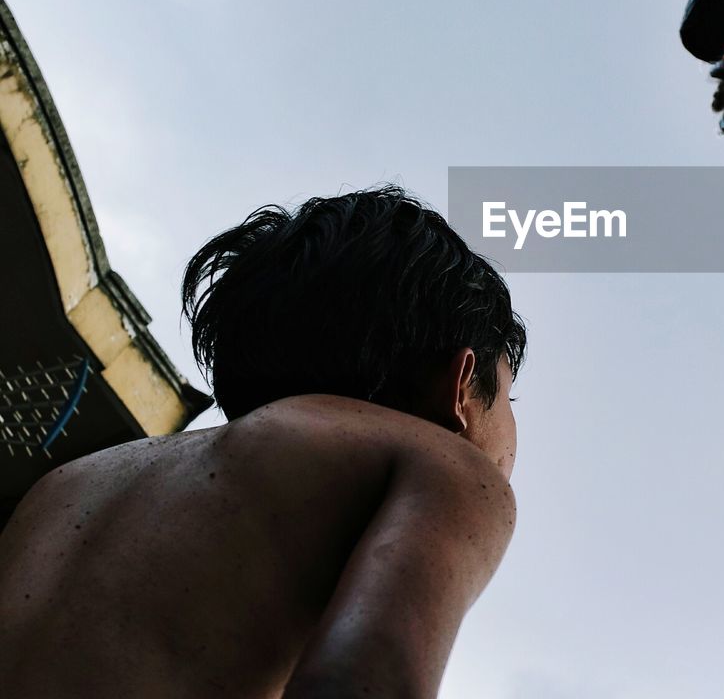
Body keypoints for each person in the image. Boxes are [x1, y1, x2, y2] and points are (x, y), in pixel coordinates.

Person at [0, 186, 526, 699]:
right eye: (508, 398)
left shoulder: (71, 483)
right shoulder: (439, 465)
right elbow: (358, 684)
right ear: (459, 384)